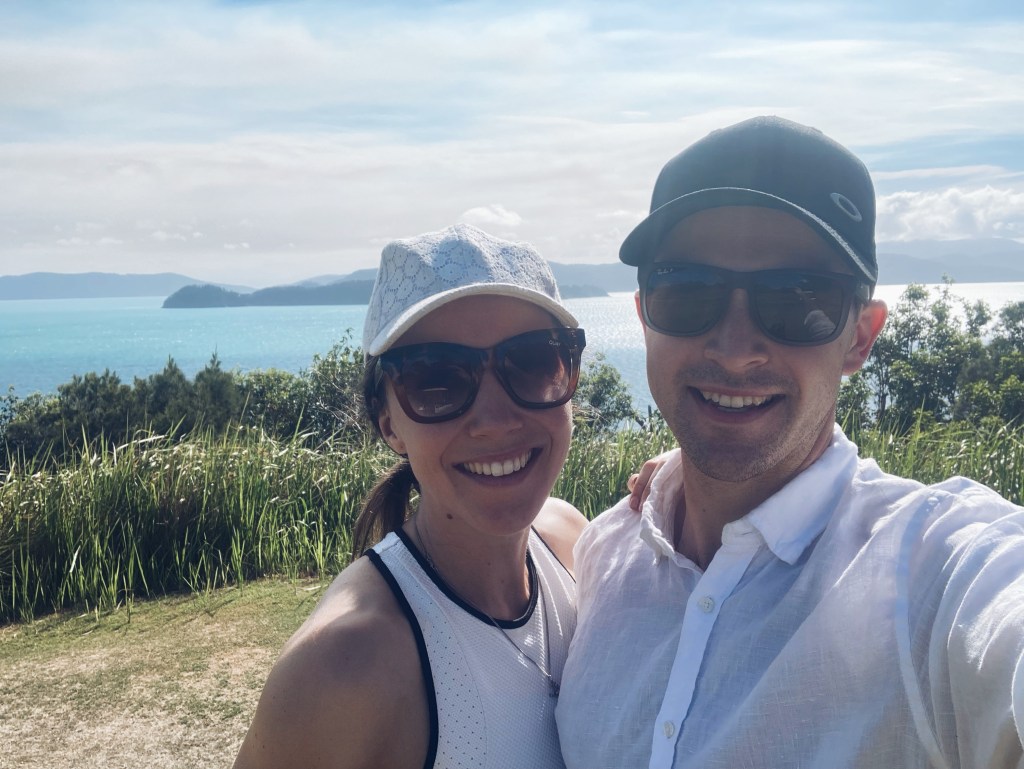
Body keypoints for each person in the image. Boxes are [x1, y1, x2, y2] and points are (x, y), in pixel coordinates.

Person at [556, 116, 1024, 768]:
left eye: (798, 299)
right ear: (644, 314)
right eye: (688, 290)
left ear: (859, 337)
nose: (735, 348)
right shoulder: (605, 555)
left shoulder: (932, 570)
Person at [234, 223, 589, 769]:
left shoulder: (572, 543)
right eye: (436, 379)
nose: (495, 420)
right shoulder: (344, 665)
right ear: (389, 424)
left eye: (533, 360)